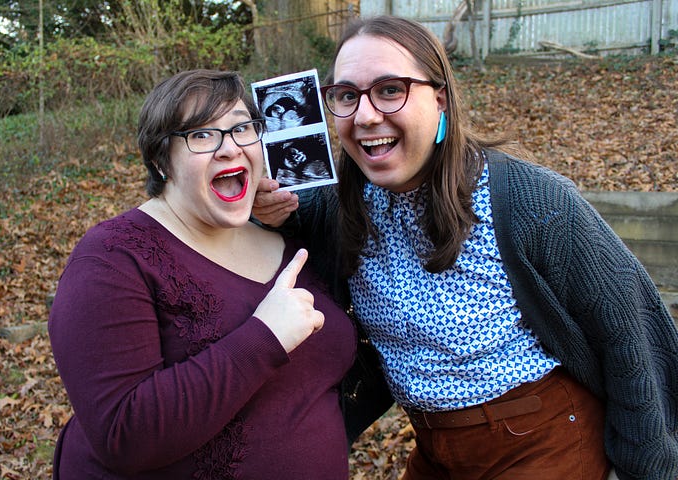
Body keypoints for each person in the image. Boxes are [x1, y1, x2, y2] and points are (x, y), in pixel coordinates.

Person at [252, 15, 678, 480]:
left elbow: (630, 332)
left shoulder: (532, 201)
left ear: (439, 99)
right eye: (347, 95)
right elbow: (265, 234)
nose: (366, 114)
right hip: (436, 449)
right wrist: (266, 211)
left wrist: (645, 466)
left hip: (542, 443)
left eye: (390, 89)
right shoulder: (340, 205)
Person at [48, 69, 357, 479]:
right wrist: (265, 337)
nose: (230, 149)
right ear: (161, 161)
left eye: (242, 128)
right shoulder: (111, 258)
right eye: (202, 135)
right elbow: (123, 435)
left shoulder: (281, 233)